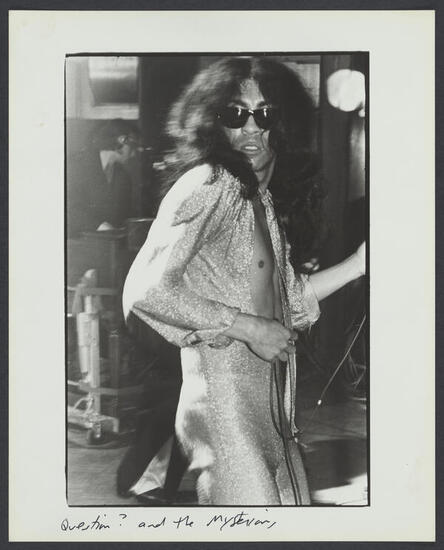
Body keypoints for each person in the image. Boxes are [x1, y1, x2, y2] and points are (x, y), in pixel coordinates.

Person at [123, 57, 365, 505]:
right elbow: (144, 291)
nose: (251, 128)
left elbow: (291, 301)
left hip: (275, 410)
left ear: (283, 122)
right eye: (235, 113)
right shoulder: (210, 183)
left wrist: (358, 264)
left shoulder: (260, 202)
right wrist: (249, 328)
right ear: (214, 122)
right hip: (226, 410)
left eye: (265, 114)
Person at [67, 118, 140, 237]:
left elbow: (124, 215)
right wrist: (98, 226)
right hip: (78, 241)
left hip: (109, 240)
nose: (133, 153)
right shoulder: (76, 166)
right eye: (133, 146)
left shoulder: (123, 176)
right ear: (121, 141)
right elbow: (69, 208)